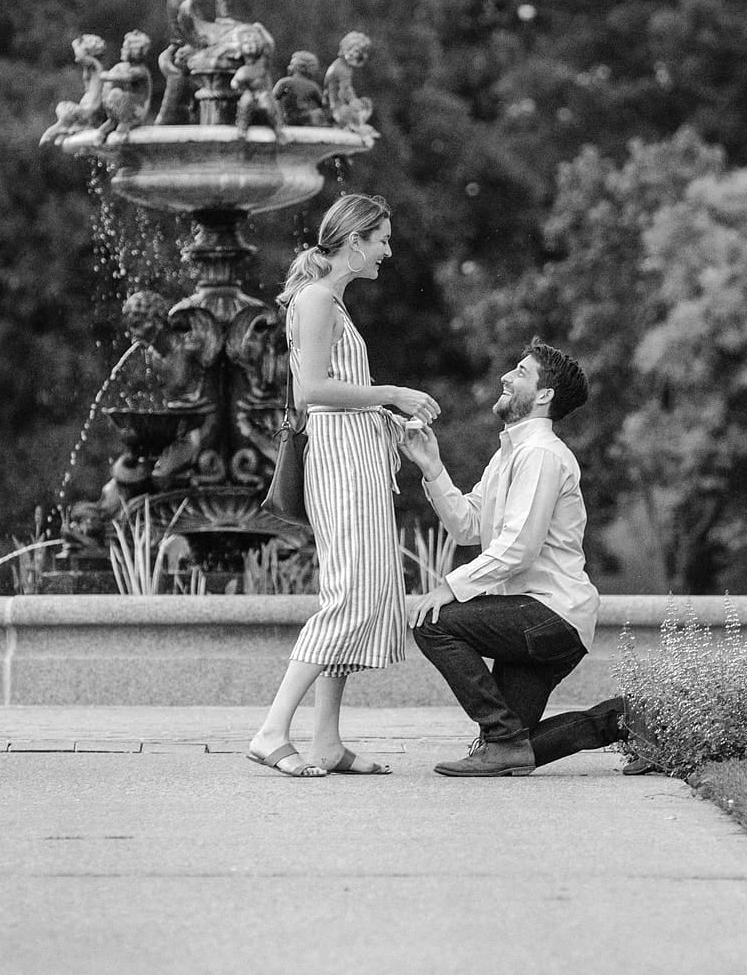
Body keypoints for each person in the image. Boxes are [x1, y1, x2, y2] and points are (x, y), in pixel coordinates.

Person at [246, 194, 441, 778]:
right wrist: (391, 394)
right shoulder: (315, 298)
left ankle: (327, 742)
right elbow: (311, 391)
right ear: (354, 241)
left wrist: (387, 423)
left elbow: (326, 392)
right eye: (382, 239)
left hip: (356, 456)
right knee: (350, 596)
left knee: (357, 591)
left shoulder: (329, 300)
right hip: (339, 464)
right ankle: (271, 730)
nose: (388, 251)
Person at [399, 340, 631, 776]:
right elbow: (468, 525)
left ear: (544, 395)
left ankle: (503, 740)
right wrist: (432, 468)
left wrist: (450, 587)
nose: (506, 376)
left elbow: (520, 547)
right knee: (511, 744)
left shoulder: (540, 454)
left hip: (550, 614)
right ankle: (629, 719)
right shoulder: (509, 455)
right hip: (538, 617)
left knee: (433, 622)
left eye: (521, 372)